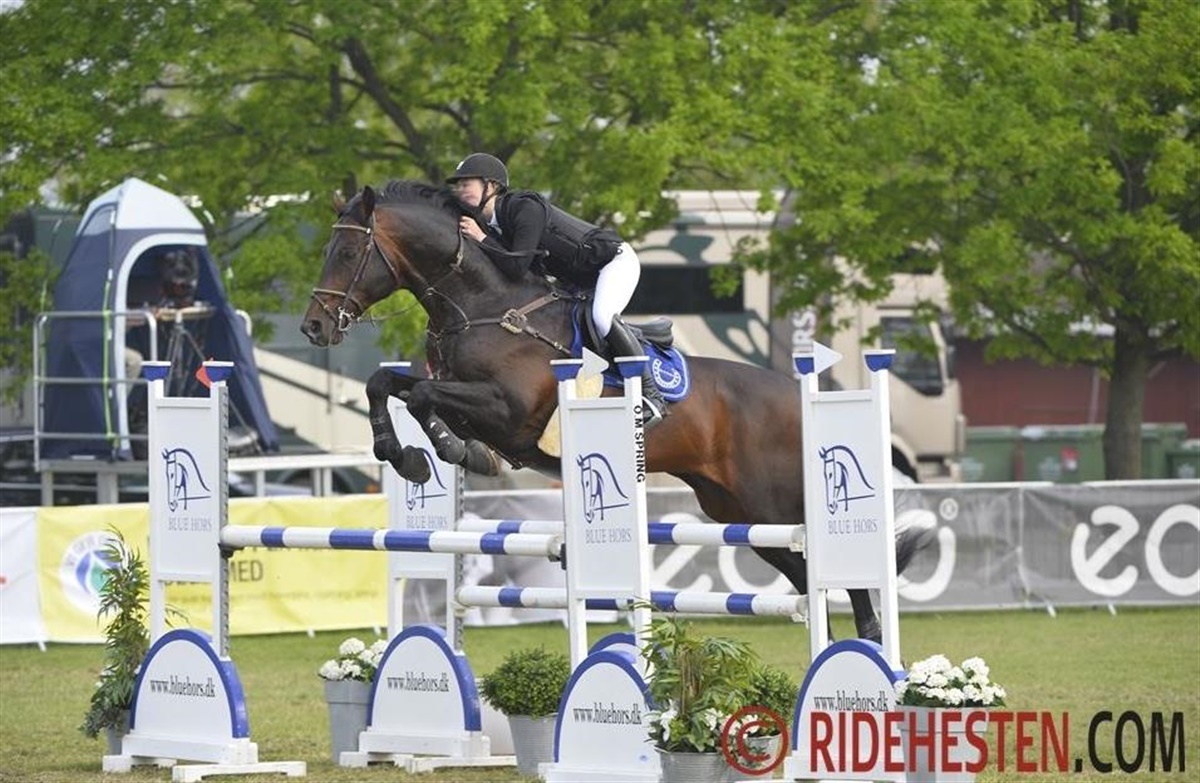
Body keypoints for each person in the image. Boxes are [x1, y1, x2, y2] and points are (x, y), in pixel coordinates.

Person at [446, 152, 667, 426]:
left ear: (491, 185)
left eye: (466, 183)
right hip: (577, 281)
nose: (460, 189)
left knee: (601, 318)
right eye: (458, 185)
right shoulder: (491, 226)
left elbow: (517, 266)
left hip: (612, 262)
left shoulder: (523, 207)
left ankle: (652, 395)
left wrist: (480, 238)